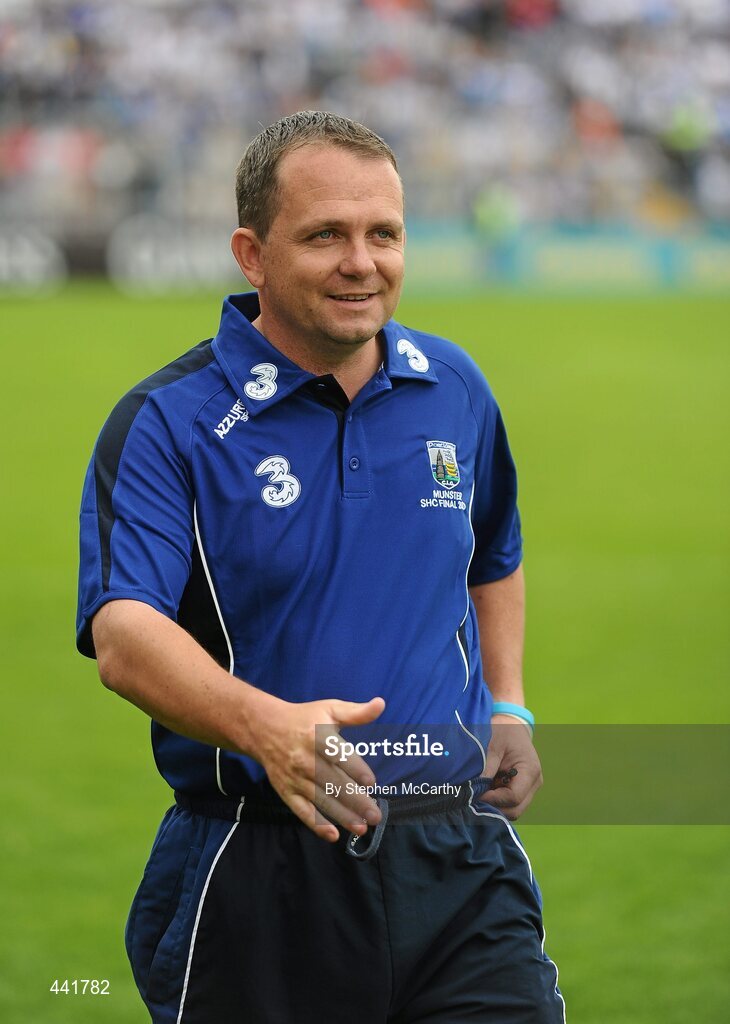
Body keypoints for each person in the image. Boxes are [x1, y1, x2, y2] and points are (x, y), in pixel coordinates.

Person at [77, 110, 565, 1024]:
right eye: (325, 235)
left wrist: (509, 706)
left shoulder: (453, 386)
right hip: (259, 867)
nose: (362, 261)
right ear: (252, 255)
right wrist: (268, 730)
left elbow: (494, 554)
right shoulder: (167, 422)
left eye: (384, 233)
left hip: (458, 855)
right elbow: (123, 635)